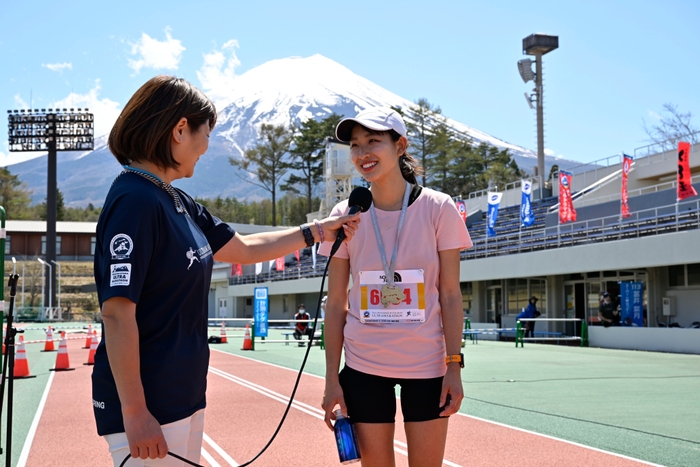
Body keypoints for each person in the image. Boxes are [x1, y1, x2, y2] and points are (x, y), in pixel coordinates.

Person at [92, 75, 360, 466]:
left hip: (179, 396)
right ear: (180, 129)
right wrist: (134, 412)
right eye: (206, 133)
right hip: (150, 405)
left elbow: (244, 249)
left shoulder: (173, 197)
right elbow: (116, 312)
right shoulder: (135, 200)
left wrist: (317, 231)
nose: (206, 147)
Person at [319, 107, 473, 467]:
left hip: (428, 366)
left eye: (374, 141)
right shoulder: (346, 213)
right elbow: (336, 302)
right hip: (363, 366)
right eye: (355, 145)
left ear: (400, 145)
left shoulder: (439, 208)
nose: (362, 153)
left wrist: (454, 366)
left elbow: (450, 294)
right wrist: (331, 380)